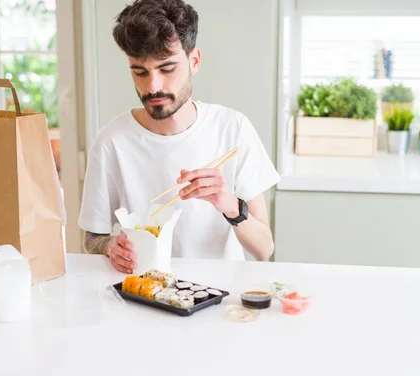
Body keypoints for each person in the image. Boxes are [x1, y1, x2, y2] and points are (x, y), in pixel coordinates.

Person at [78, 0, 280, 273]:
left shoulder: (233, 128)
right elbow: (91, 237)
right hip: (145, 294)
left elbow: (265, 248)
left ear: (194, 61)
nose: (153, 87)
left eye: (167, 69)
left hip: (220, 296)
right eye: (140, 72)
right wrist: (109, 246)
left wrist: (230, 205)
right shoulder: (111, 141)